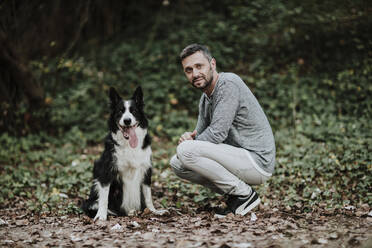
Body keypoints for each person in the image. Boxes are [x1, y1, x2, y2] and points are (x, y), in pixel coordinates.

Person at [170, 44, 276, 216]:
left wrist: (190, 145)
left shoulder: (228, 83)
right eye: (188, 70)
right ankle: (236, 196)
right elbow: (200, 136)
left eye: (199, 66)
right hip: (238, 158)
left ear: (212, 64)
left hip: (257, 160)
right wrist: (189, 138)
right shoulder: (205, 99)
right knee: (177, 163)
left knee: (186, 151)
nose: (195, 74)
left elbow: (217, 134)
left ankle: (244, 195)